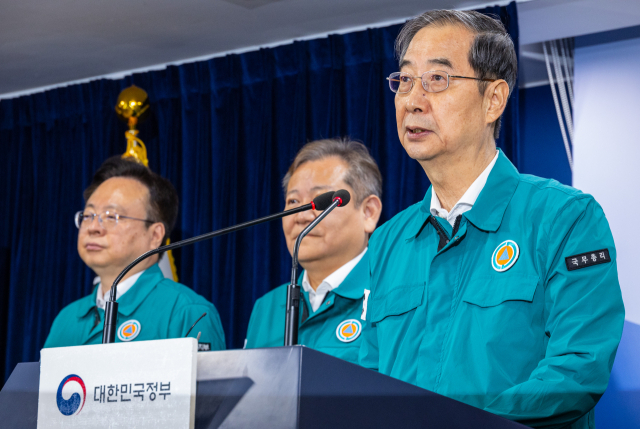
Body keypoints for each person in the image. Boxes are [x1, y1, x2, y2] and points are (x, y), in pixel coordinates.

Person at [358, 10, 624, 428]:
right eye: (405, 80)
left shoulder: (565, 218)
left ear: (493, 100)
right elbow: (367, 380)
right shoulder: (388, 241)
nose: (412, 100)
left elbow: (576, 369)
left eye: (438, 80)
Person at [44, 156, 226, 351]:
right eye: (88, 216)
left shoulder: (186, 312)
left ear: (155, 234)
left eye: (111, 216)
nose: (93, 228)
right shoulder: (66, 319)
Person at [245, 138, 382, 364]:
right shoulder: (267, 307)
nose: (301, 215)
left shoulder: (389, 296)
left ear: (368, 212)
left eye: (320, 200)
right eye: (293, 201)